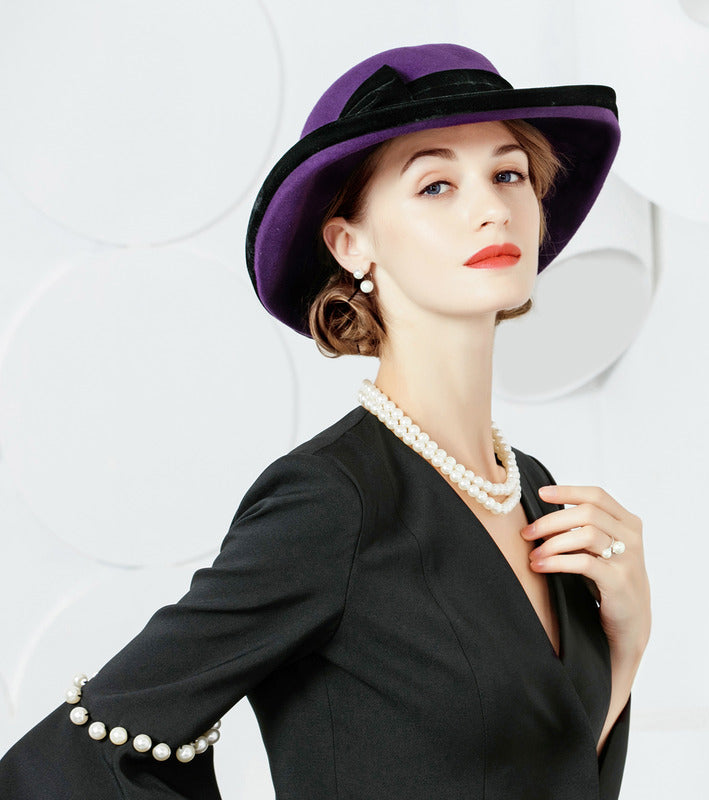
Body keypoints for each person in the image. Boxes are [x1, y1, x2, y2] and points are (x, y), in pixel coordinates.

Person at [0, 43, 651, 799]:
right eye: (436, 185)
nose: (491, 208)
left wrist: (627, 642)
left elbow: (549, 777)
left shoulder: (536, 493)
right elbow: (78, 758)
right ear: (350, 243)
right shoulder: (331, 502)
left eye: (509, 174)